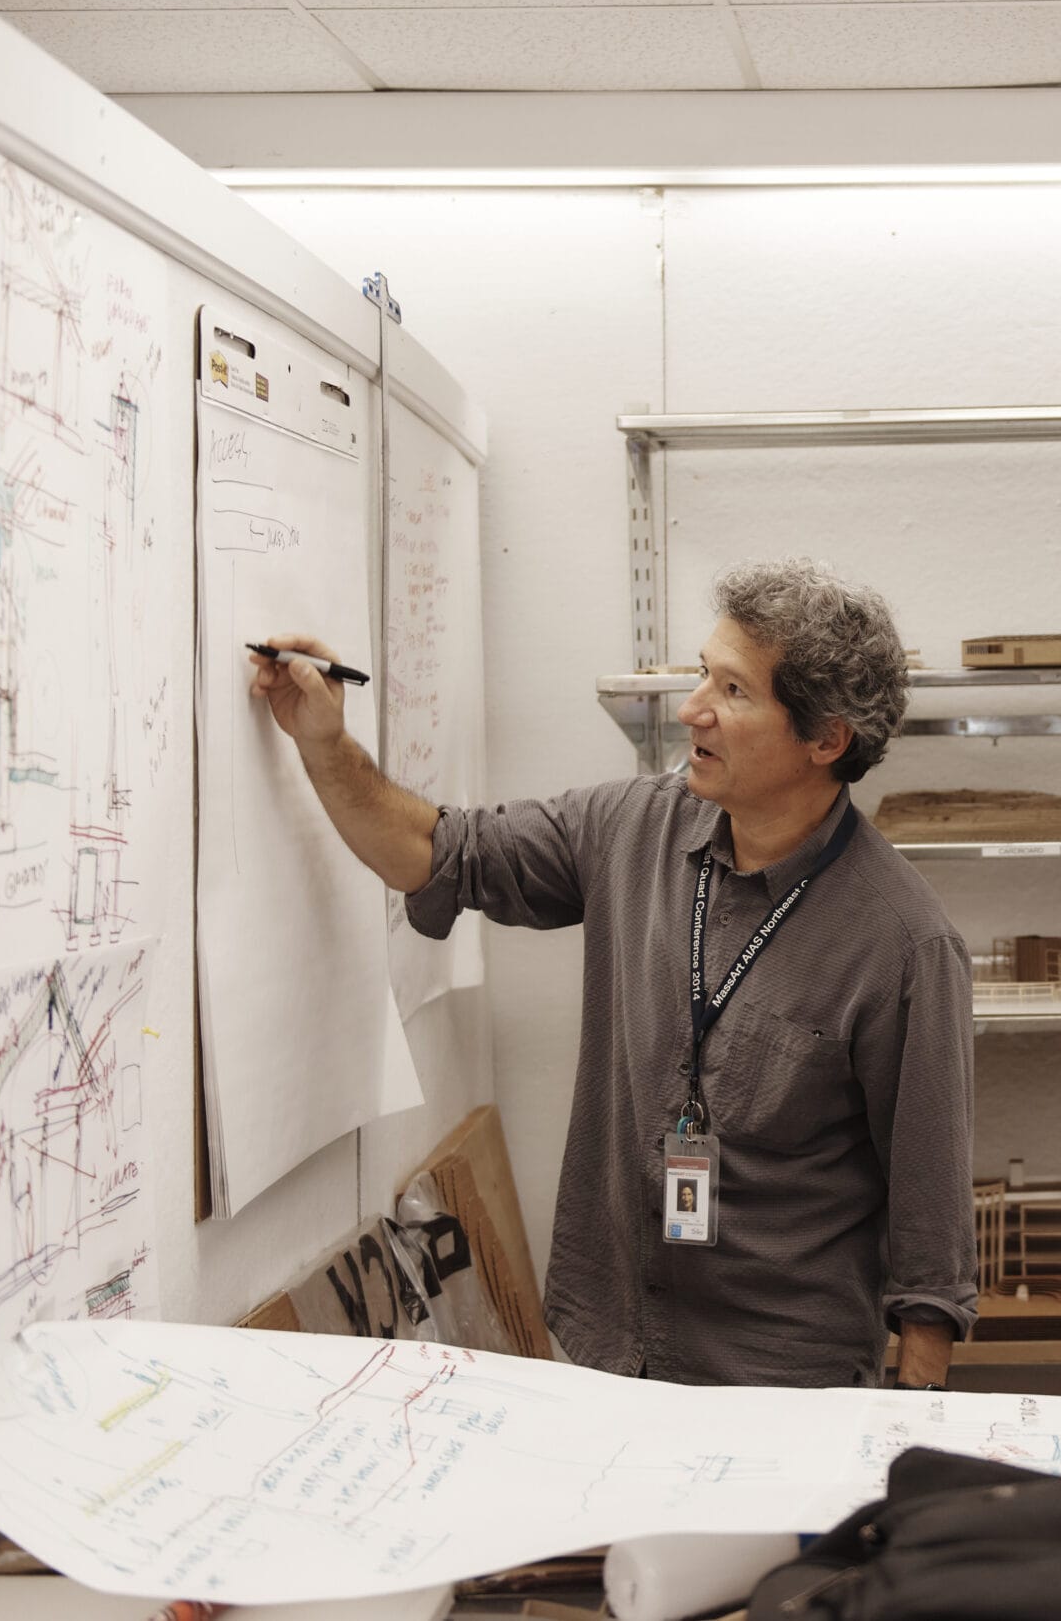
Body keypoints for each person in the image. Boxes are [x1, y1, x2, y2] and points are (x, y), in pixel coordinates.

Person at [252, 557, 977, 1388]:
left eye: (734, 692)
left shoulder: (903, 945)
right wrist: (326, 743)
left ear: (825, 739)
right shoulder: (632, 829)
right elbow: (434, 853)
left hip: (781, 1381)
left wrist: (909, 1406)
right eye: (703, 673)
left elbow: (932, 1220)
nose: (692, 708)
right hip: (609, 1344)